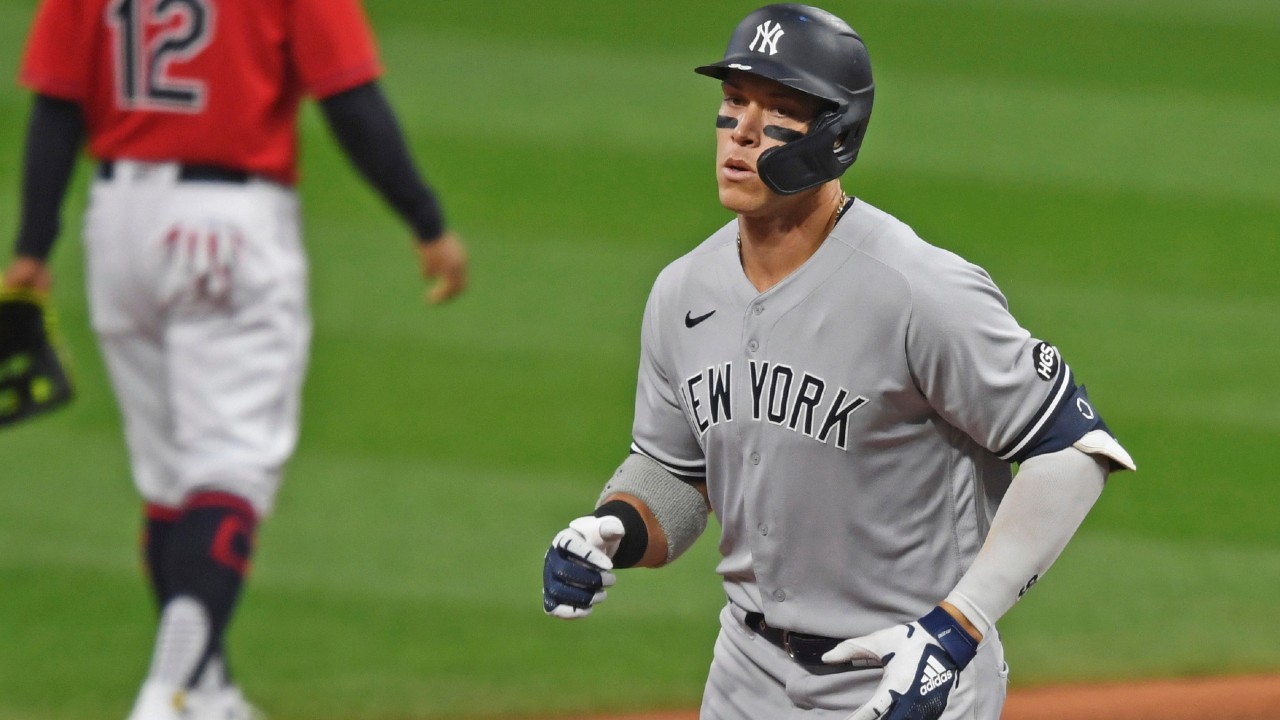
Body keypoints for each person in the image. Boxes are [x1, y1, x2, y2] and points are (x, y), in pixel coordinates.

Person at [541, 4, 1134, 719]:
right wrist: (614, 528)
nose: (743, 132)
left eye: (779, 110)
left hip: (907, 676)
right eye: (733, 101)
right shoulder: (682, 292)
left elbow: (1073, 450)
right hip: (745, 677)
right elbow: (677, 471)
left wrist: (956, 630)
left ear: (837, 136)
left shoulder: (917, 289)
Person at [5, 1, 468, 718]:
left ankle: (208, 693)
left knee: (170, 483)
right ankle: (166, 697)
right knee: (229, 470)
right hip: (226, 229)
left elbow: (58, 103)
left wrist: (32, 248)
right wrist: (426, 220)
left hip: (118, 229)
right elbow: (348, 95)